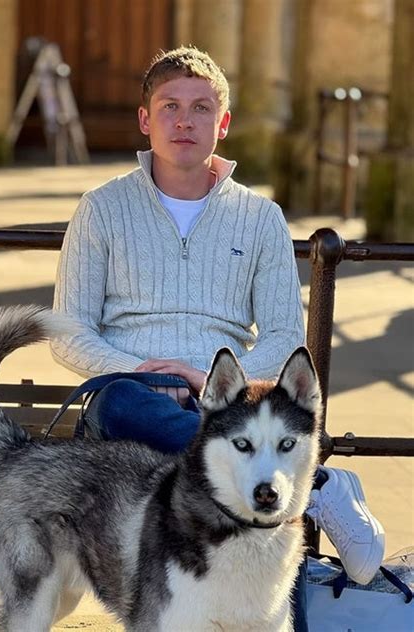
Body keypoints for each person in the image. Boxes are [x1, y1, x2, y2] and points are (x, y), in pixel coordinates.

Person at [51, 46, 384, 629]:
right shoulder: (101, 209)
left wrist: (210, 381)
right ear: (145, 119)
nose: (184, 121)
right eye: (170, 107)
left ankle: (293, 488)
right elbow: (68, 331)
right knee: (125, 402)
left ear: (222, 122)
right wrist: (139, 369)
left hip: (227, 401)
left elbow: (283, 334)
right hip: (131, 400)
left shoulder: (261, 217)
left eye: (201, 108)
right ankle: (318, 485)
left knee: (240, 436)